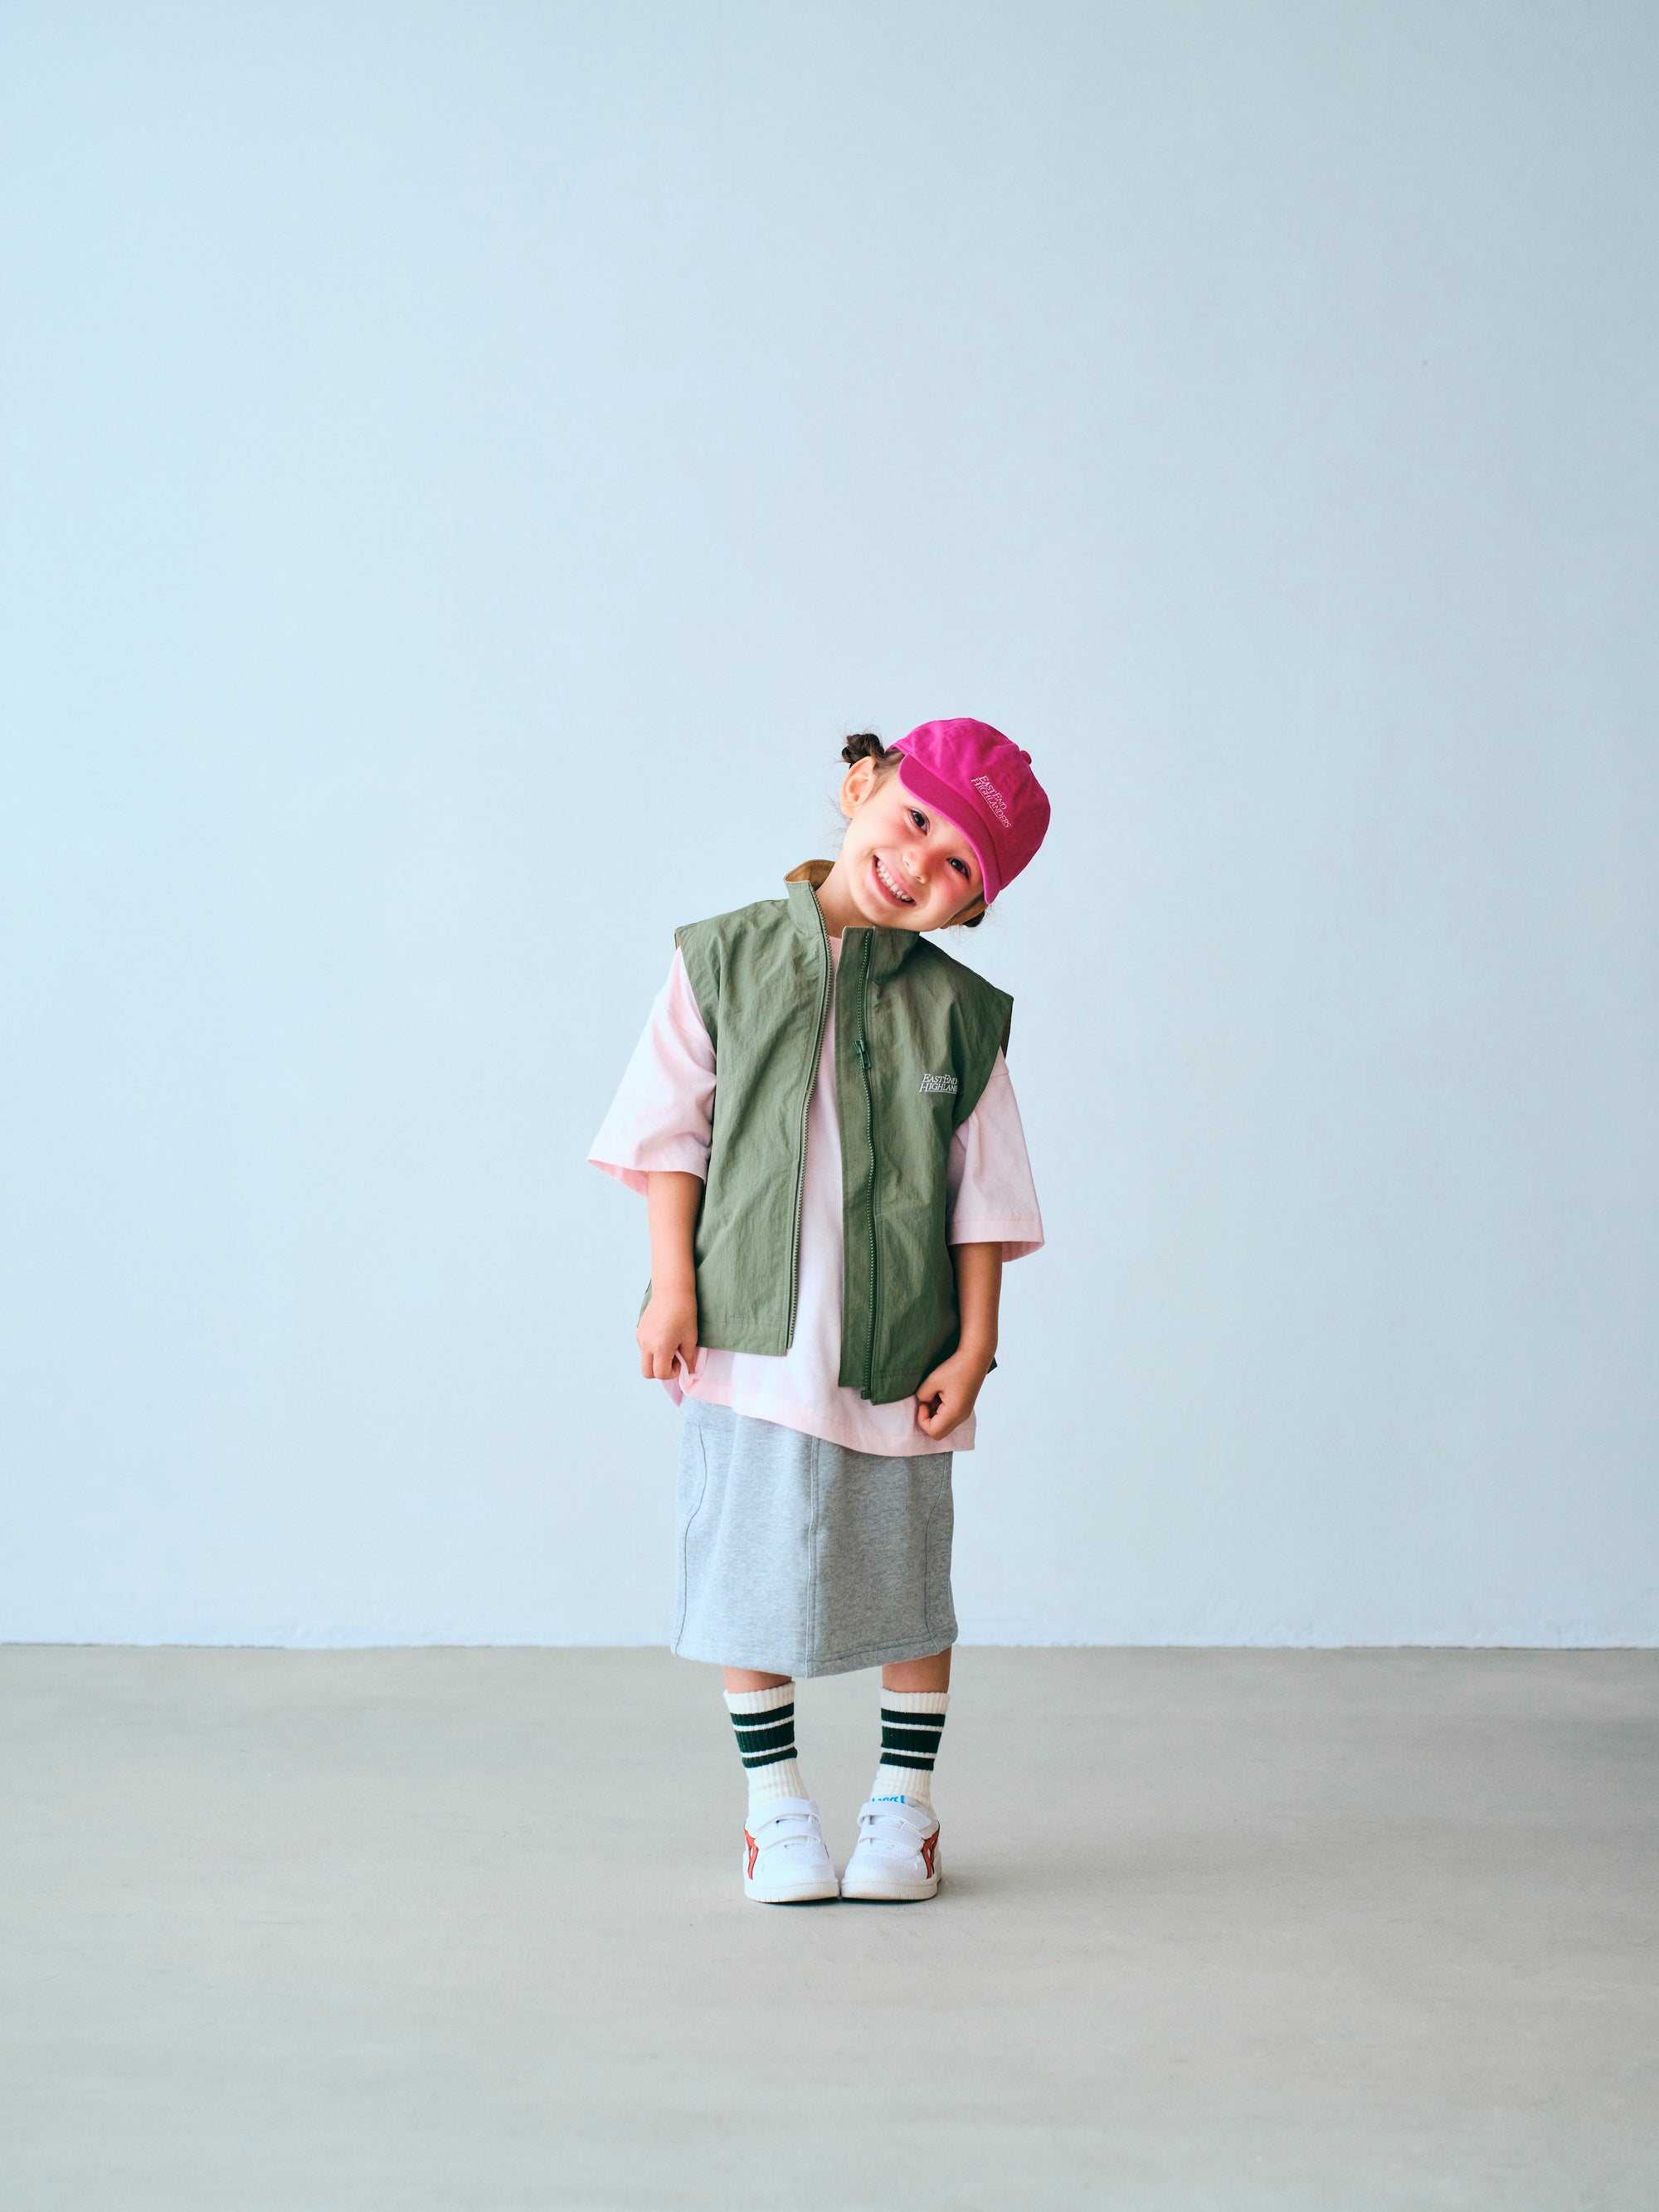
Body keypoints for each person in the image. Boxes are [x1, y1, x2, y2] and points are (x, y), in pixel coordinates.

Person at [588, 719, 1048, 1903]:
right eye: (916, 820)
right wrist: (673, 1286)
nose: (920, 862)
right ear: (862, 786)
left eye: (959, 866)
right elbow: (670, 1135)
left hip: (900, 1345)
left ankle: (905, 1810)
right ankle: (774, 1811)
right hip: (747, 1335)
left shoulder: (961, 1014)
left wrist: (978, 1343)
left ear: (972, 908)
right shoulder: (723, 959)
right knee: (748, 1569)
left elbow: (985, 1195)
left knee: (908, 1573)